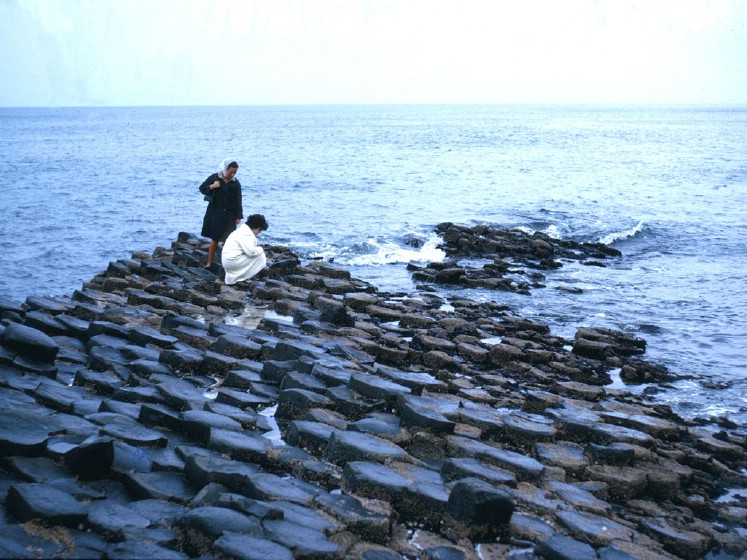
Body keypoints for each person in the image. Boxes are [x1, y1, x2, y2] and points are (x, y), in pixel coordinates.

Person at [199, 158, 243, 269]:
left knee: (230, 240)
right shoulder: (215, 177)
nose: (232, 174)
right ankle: (209, 263)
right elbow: (202, 188)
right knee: (215, 238)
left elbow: (238, 200)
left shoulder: (235, 183)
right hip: (215, 212)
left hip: (230, 215)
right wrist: (212, 186)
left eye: (235, 172)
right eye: (231, 172)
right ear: (225, 169)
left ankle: (228, 264)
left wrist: (238, 216)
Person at [221, 214, 269, 285]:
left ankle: (239, 277)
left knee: (256, 254)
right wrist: (261, 249)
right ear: (257, 228)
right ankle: (242, 277)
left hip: (228, 261)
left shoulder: (242, 230)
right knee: (261, 256)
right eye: (260, 230)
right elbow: (251, 252)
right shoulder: (247, 235)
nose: (259, 232)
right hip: (231, 263)